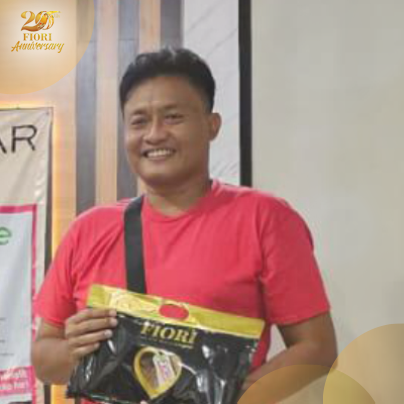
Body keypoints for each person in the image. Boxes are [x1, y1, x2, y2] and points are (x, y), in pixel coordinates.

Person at [32, 48, 337, 399]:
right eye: (139, 121)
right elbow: (44, 360)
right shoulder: (87, 231)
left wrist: (230, 397)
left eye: (173, 117)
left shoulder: (265, 219)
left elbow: (316, 349)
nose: (154, 134)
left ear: (212, 125)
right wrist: (74, 350)